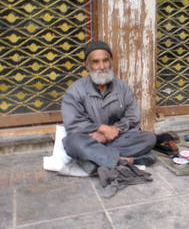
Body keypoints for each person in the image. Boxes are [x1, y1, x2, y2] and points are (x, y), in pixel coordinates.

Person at [61, 41, 157, 172]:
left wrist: (113, 131)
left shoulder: (122, 87)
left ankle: (94, 160)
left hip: (116, 138)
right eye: (96, 62)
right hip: (90, 138)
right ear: (87, 66)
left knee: (149, 138)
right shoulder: (75, 91)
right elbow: (73, 123)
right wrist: (101, 128)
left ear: (111, 62)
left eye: (105, 61)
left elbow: (133, 116)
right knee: (72, 143)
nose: (102, 66)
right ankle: (122, 160)